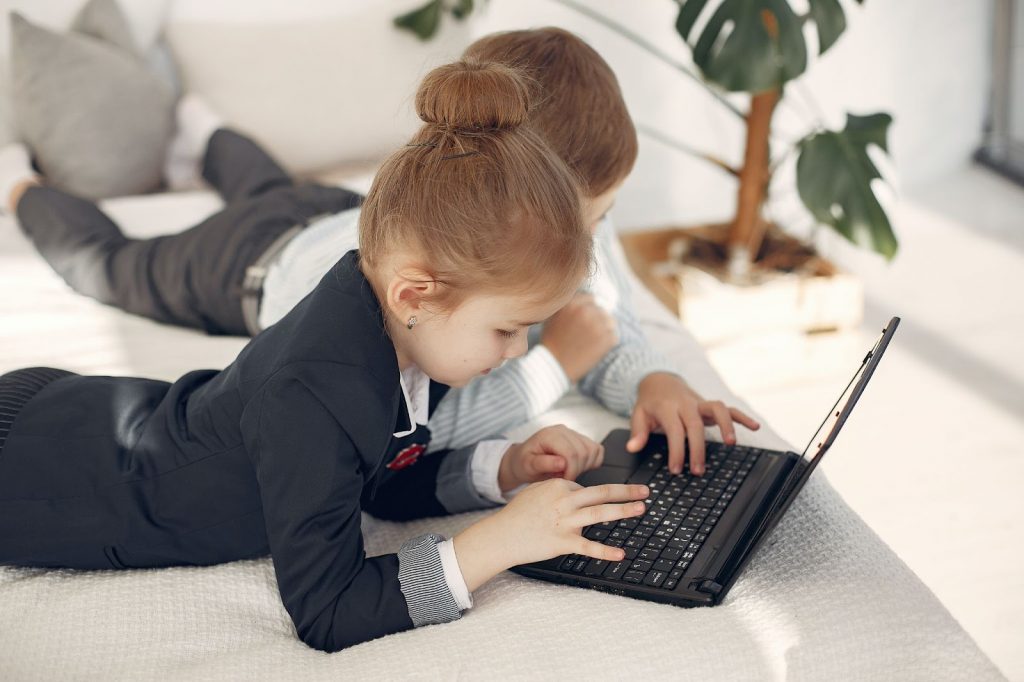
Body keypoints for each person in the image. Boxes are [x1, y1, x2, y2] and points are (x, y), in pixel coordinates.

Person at [0, 59, 652, 653]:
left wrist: (500, 468)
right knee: (110, 265)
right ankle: (18, 180)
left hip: (70, 417)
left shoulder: (392, 328)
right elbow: (328, 609)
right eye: (509, 330)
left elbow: (375, 477)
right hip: (36, 470)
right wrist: (498, 542)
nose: (515, 354)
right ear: (414, 294)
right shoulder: (313, 396)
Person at [0, 28, 759, 476]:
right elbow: (398, 430)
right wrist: (551, 368)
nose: (592, 250)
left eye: (600, 223)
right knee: (114, 265)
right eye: (587, 224)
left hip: (335, 211)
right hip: (251, 265)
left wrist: (648, 376)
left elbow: (606, 315)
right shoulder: (368, 322)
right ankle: (24, 190)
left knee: (269, 182)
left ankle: (207, 134)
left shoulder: (547, 237)